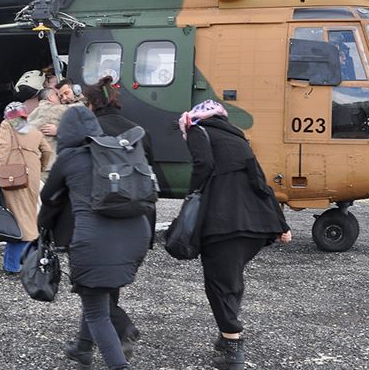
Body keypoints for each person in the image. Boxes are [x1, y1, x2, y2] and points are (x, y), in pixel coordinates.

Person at [178, 100, 292, 370]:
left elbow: (203, 164)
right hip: (254, 225)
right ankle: (225, 336)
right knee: (231, 280)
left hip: (223, 222)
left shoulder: (197, 130)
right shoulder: (238, 138)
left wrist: (192, 198)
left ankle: (233, 347)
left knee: (219, 284)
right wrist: (281, 224)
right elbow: (260, 181)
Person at [40, 106, 151, 370]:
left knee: (96, 312)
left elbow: (48, 198)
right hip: (136, 237)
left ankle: (118, 366)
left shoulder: (69, 158)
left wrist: (42, 229)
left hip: (95, 242)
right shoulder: (116, 152)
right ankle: (82, 348)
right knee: (95, 293)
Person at [80, 76, 156, 351]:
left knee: (91, 283)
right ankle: (83, 347)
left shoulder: (87, 132)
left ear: (91, 104)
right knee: (107, 280)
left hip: (99, 215)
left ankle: (122, 327)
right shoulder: (139, 131)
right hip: (137, 217)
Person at [0, 101, 53, 274]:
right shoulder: (32, 129)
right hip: (32, 174)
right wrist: (40, 167)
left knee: (18, 218)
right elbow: (47, 151)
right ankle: (27, 261)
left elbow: (4, 149)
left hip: (14, 174)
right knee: (28, 214)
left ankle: (14, 265)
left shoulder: (7, 125)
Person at [27, 88, 68, 178]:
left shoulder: (33, 114)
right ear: (51, 97)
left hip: (33, 163)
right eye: (57, 95)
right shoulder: (56, 109)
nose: (61, 98)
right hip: (49, 164)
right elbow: (80, 108)